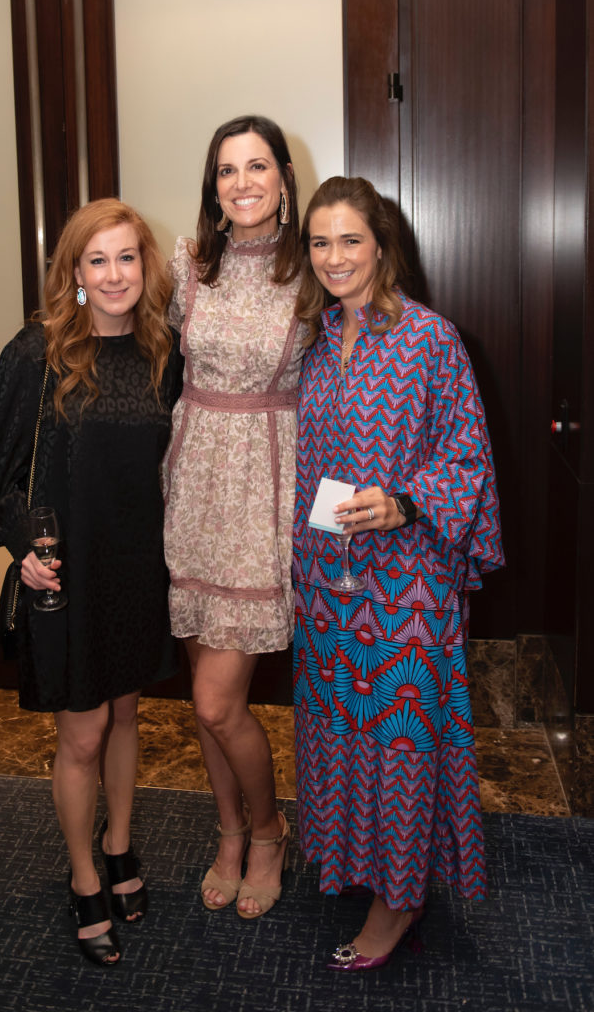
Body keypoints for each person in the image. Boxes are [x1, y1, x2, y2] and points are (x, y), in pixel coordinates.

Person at [292, 176, 505, 970]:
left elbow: (468, 457)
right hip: (327, 578)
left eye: (350, 239)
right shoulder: (315, 341)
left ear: (382, 244)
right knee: (340, 727)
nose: (334, 256)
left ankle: (401, 896)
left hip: (406, 583)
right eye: (320, 242)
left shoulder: (428, 338)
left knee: (401, 737)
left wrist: (406, 504)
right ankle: (356, 860)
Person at [0, 198, 182, 966]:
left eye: (128, 257)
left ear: (145, 267)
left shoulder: (165, 351)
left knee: (127, 715)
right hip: (65, 574)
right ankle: (85, 876)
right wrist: (22, 546)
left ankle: (121, 846)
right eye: (98, 260)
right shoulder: (36, 354)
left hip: (138, 569)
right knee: (83, 732)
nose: (116, 273)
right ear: (76, 273)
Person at [162, 115, 304, 918]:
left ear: (284, 177)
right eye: (226, 170)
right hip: (191, 490)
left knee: (221, 701)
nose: (242, 183)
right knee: (199, 696)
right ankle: (228, 831)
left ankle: (271, 828)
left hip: (264, 499)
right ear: (212, 185)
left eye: (257, 167)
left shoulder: (309, 270)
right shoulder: (189, 266)